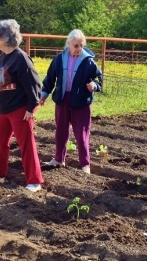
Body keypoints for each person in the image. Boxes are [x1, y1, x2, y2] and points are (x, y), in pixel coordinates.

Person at [0, 19, 44, 192]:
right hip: (3, 109)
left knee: (26, 144)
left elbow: (34, 84)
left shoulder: (21, 59)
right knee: (0, 142)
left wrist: (31, 107)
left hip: (19, 110)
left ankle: (34, 180)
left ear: (4, 37)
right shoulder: (3, 56)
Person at [39, 29, 103, 174]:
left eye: (81, 45)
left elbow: (99, 78)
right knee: (61, 131)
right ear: (68, 44)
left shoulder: (88, 61)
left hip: (81, 102)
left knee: (81, 134)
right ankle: (59, 159)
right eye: (76, 45)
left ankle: (85, 164)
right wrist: (44, 94)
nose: (79, 48)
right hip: (62, 100)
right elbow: (50, 78)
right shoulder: (59, 59)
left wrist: (94, 85)